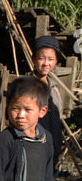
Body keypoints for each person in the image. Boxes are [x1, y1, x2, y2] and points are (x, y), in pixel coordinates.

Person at [32, 35, 63, 167]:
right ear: (34, 60)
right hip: (34, 147)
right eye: (41, 58)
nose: (46, 63)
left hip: (53, 148)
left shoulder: (55, 89)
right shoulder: (27, 87)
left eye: (50, 59)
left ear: (56, 61)